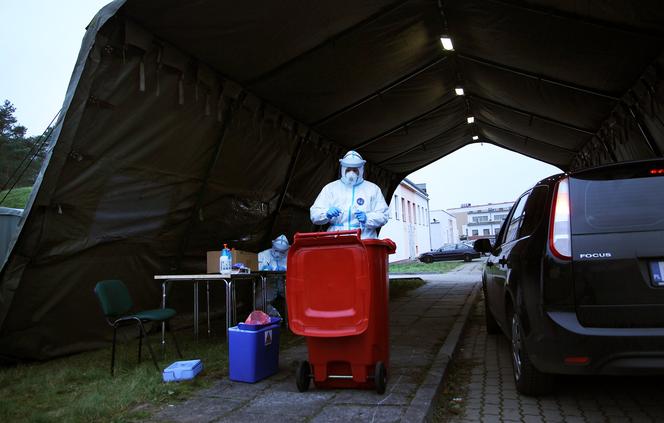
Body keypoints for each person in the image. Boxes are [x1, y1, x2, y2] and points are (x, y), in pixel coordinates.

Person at [310, 150, 389, 239]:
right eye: (348, 169)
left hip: (364, 239)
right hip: (336, 239)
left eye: (355, 170)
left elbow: (384, 215)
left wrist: (367, 218)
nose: (351, 173)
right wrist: (326, 213)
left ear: (361, 169)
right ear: (343, 169)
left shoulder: (373, 189)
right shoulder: (330, 188)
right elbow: (314, 214)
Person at [257, 235, 289, 317]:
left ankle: (293, 321)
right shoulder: (263, 255)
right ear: (272, 245)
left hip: (285, 284)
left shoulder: (291, 256)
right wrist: (263, 268)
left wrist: (286, 269)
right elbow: (256, 266)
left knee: (296, 301)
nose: (278, 254)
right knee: (260, 303)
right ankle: (275, 317)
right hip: (268, 283)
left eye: (282, 252)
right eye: (276, 250)